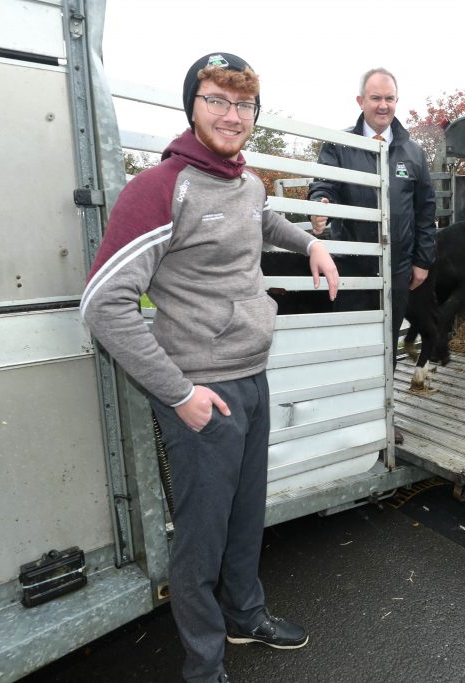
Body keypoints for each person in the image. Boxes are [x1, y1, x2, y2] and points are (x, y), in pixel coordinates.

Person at [82, 52, 339, 683]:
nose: (231, 114)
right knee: (200, 538)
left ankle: (245, 615)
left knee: (246, 516)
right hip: (202, 392)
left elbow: (261, 219)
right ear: (191, 107)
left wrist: (311, 243)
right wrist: (179, 394)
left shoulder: (245, 182)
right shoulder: (161, 188)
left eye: (243, 103)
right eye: (216, 100)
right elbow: (103, 303)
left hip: (253, 375)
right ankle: (204, 666)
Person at [308, 67, 436, 444]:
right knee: (350, 342)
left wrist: (422, 260)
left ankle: (382, 417)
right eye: (376, 98)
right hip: (351, 264)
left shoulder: (412, 152)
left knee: (386, 343)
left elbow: (425, 209)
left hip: (397, 266)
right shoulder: (339, 145)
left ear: (397, 101)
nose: (383, 105)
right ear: (360, 101)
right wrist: (320, 201)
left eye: (389, 98)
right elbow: (324, 183)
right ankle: (347, 419)